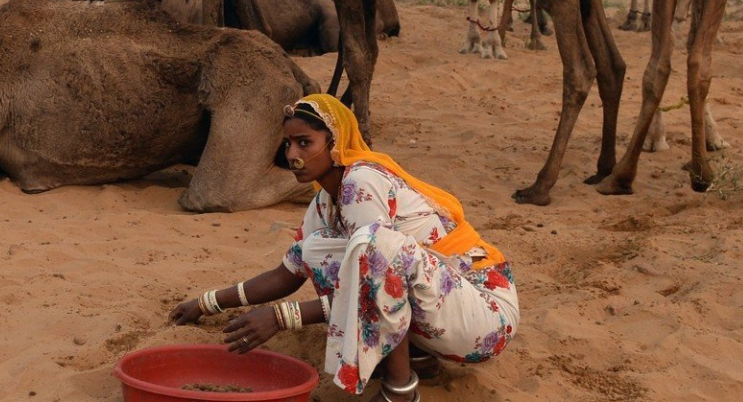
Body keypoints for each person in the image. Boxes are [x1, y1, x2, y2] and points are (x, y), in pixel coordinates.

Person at [170, 94, 519, 402]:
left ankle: (400, 391)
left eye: (304, 143)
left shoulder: (360, 182)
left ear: (334, 142)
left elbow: (375, 278)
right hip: (447, 312)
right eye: (288, 144)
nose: (293, 155)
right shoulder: (325, 200)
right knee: (319, 249)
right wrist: (206, 303)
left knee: (373, 251)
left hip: (483, 317)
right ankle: (418, 358)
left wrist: (282, 317)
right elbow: (288, 272)